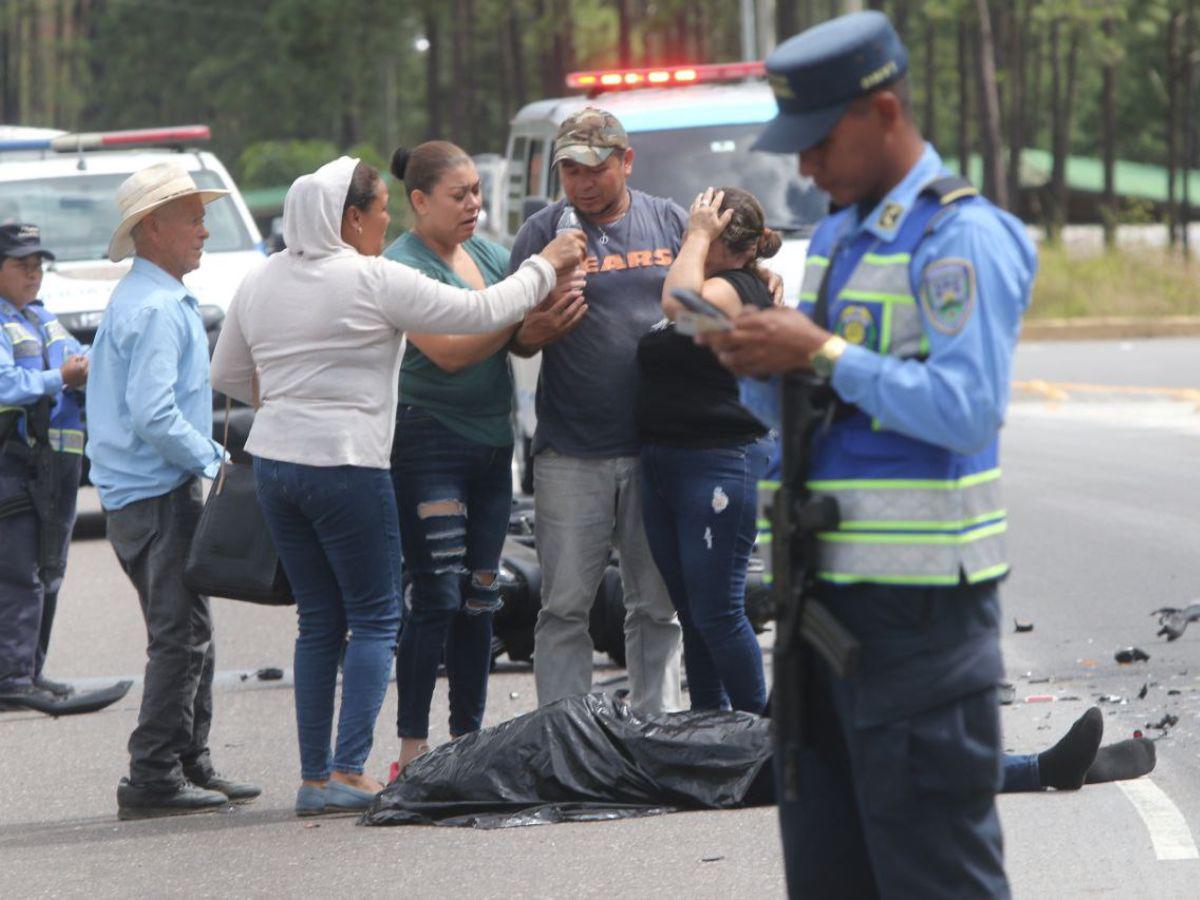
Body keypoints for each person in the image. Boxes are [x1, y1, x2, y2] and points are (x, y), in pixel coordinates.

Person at [698, 12, 1036, 898]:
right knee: (830, 874)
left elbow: (967, 410)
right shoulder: (845, 236)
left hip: (922, 625)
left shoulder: (959, 237)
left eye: (818, 142)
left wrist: (817, 351)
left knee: (933, 877)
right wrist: (755, 364)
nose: (805, 167)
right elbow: (826, 405)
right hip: (824, 612)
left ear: (883, 112)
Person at [210, 156, 584, 815]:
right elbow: (482, 311)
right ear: (350, 219)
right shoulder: (370, 278)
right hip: (346, 463)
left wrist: (295, 397)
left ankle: (314, 776)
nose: (387, 221)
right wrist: (547, 263)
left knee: (318, 622)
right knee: (377, 616)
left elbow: (230, 374)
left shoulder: (261, 279)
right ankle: (352, 771)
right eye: (381, 210)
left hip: (274, 464)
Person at [383, 141, 585, 772]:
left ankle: (468, 744)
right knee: (436, 595)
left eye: (477, 192)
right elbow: (450, 350)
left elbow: (516, 339)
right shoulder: (401, 266)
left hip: (492, 446)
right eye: (459, 194)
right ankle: (412, 751)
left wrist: (538, 329)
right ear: (419, 202)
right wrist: (522, 318)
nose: (474, 204)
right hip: (428, 441)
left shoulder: (489, 254)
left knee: (481, 593)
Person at [86, 164, 262, 819]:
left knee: (192, 632)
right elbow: (154, 413)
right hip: (158, 493)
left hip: (142, 493)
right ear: (152, 228)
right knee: (181, 638)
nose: (204, 228)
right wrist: (215, 461)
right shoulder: (158, 306)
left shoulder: (145, 298)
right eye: (192, 217)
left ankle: (187, 759)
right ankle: (154, 773)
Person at [507, 107, 687, 714]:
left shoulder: (669, 220)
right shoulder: (542, 233)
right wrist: (533, 330)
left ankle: (654, 732)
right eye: (570, 170)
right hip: (571, 452)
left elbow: (721, 289)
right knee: (563, 607)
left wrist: (761, 279)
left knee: (655, 606)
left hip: (656, 448)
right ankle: (565, 737)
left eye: (596, 168)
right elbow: (513, 335)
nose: (583, 183)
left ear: (626, 162)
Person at [636, 187, 779, 714]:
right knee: (695, 613)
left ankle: (759, 733)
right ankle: (709, 726)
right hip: (667, 459)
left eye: (698, 230)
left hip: (720, 460)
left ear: (723, 241)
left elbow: (678, 308)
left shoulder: (736, 288)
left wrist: (697, 236)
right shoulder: (720, 282)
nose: (685, 235)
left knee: (718, 612)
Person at [0, 223, 88, 711]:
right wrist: (62, 377)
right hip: (15, 461)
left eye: (38, 264)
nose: (34, 273)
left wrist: (88, 365)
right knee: (19, 570)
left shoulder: (41, 315)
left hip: (56, 461)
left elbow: (81, 354)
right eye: (21, 264)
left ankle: (29, 668)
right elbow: (6, 384)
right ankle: (12, 677)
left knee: (48, 566)